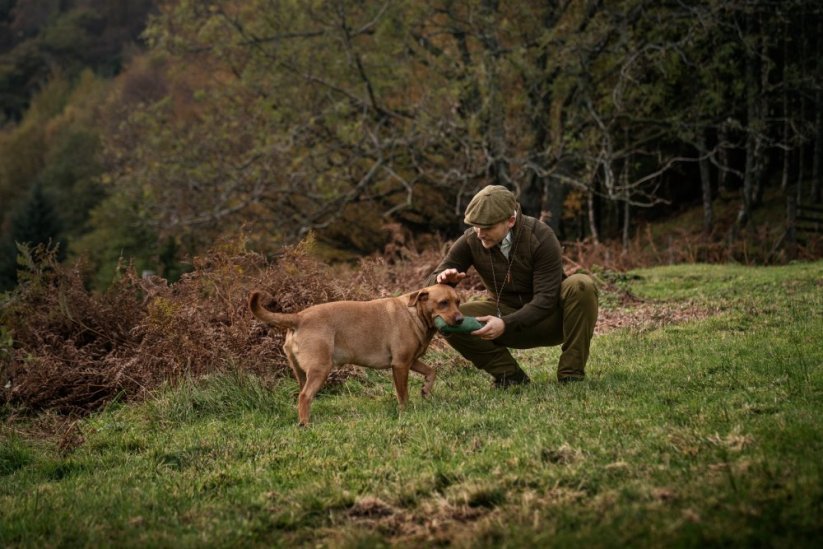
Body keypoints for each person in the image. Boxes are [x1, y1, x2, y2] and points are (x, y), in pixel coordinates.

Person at [426, 185, 599, 387]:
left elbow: (546, 299)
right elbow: (428, 287)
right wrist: (443, 280)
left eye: (487, 227)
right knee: (446, 319)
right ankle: (510, 377)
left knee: (581, 284)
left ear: (510, 220)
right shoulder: (471, 240)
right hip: (501, 314)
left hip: (551, 320)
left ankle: (571, 375)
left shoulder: (540, 236)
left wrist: (506, 323)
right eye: (475, 226)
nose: (480, 233)